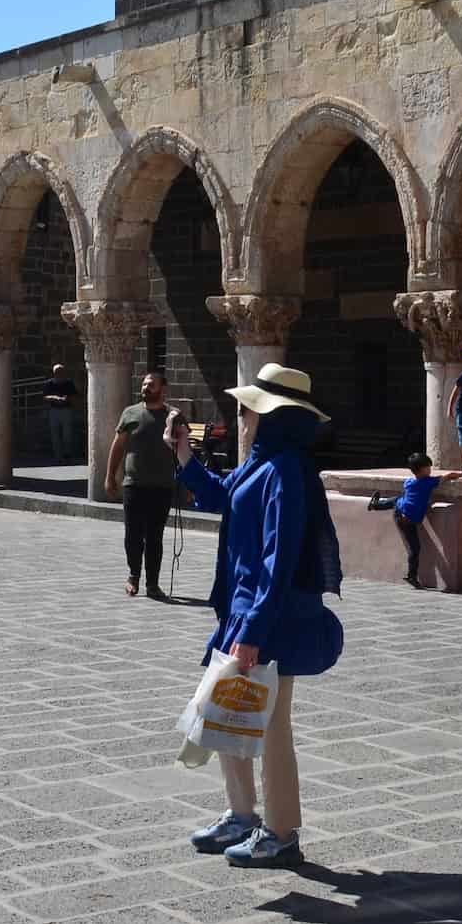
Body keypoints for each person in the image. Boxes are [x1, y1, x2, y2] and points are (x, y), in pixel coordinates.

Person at [169, 363, 342, 869]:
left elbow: (279, 558)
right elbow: (227, 495)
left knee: (271, 729)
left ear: (271, 416)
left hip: (269, 618)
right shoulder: (262, 462)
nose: (241, 415)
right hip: (243, 613)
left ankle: (282, 832)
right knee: (228, 715)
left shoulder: (287, 470)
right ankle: (241, 815)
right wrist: (185, 456)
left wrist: (255, 630)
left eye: (248, 408)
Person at [105, 371, 178, 599]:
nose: (146, 388)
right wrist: (110, 476)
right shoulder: (131, 413)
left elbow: (183, 451)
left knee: (155, 536)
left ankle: (153, 584)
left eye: (151, 385)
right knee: (133, 534)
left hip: (162, 486)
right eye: (144, 384)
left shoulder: (173, 416)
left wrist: (187, 485)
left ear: (162, 389)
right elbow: (118, 446)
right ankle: (133, 575)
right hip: (134, 485)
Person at [365, 452, 458, 588]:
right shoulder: (428, 482)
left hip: (402, 514)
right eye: (428, 467)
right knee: (414, 549)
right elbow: (449, 476)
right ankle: (411, 576)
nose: (430, 470)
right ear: (421, 470)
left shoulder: (409, 482)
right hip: (406, 518)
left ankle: (376, 505)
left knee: (398, 501)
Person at [43, 364, 80, 459]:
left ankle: (67, 453)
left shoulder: (69, 383)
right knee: (54, 433)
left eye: (60, 371)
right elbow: (45, 396)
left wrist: (66, 399)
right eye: (57, 372)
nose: (59, 373)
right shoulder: (49, 383)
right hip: (54, 410)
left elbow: (74, 395)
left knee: (67, 434)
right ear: (54, 372)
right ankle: (57, 455)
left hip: (66, 410)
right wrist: (55, 398)